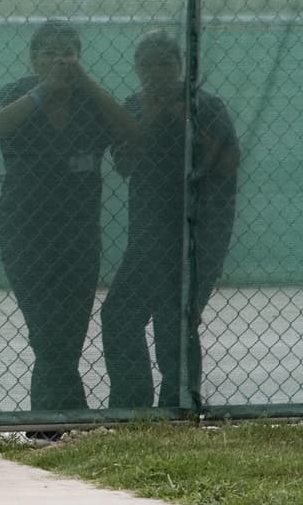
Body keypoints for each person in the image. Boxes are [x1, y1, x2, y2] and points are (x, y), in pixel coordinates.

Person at [0, 20, 137, 440]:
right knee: (44, 328)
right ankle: (59, 423)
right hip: (23, 230)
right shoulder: (17, 91)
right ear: (34, 59)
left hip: (79, 233)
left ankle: (55, 425)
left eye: (67, 52)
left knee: (70, 327)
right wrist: (43, 90)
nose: (58, 59)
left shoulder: (90, 100)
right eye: (49, 52)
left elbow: (127, 129)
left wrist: (83, 81)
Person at [101, 31, 238, 410]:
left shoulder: (205, 105)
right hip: (148, 235)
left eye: (165, 63)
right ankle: (132, 405)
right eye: (147, 64)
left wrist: (181, 118)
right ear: (136, 69)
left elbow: (228, 163)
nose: (156, 71)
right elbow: (125, 165)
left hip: (199, 232)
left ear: (180, 67)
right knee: (119, 316)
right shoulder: (131, 106)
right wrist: (147, 120)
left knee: (174, 321)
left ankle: (178, 406)